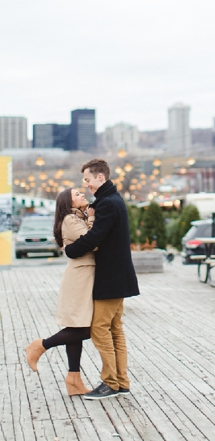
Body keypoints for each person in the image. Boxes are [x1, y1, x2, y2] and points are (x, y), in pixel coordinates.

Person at [64, 158, 140, 401]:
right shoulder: (113, 201)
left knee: (99, 329)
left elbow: (95, 237)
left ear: (100, 177)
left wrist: (70, 250)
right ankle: (121, 381)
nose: (85, 184)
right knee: (115, 330)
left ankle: (111, 383)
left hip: (110, 278)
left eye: (87, 179)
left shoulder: (107, 204)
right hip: (119, 277)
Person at [24, 188, 96, 396]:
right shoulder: (70, 220)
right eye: (77, 194)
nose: (82, 194)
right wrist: (91, 219)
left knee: (77, 328)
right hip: (79, 278)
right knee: (84, 329)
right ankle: (40, 346)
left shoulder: (77, 216)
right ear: (68, 202)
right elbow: (92, 242)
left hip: (85, 276)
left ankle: (74, 380)